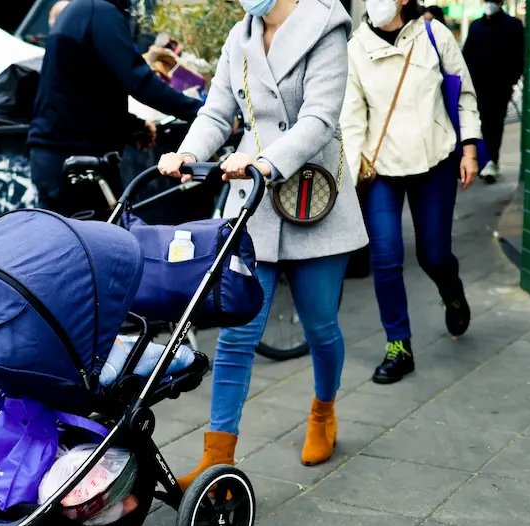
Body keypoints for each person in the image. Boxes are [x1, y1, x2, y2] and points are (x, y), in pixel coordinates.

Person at [158, 0, 368, 483]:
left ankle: (323, 412)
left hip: (311, 194)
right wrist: (188, 153)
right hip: (251, 202)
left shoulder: (326, 28)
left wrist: (266, 163)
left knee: (320, 325)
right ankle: (217, 456)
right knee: (236, 334)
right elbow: (217, 113)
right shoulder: (242, 36)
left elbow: (319, 119)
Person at [340, 0, 481, 384]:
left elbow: (464, 94)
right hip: (382, 168)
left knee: (433, 255)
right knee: (385, 257)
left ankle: (452, 293)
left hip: (436, 159)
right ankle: (398, 345)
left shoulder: (434, 35)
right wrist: (351, 181)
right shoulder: (355, 49)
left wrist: (469, 150)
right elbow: (351, 120)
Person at [28, 0, 202, 214]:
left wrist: (131, 126)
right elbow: (138, 80)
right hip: (76, 160)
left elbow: (86, 89)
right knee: (103, 240)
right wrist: (203, 113)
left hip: (58, 157)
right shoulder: (99, 12)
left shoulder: (80, 11)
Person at [462, 1, 524, 183]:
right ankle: (477, 159)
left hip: (499, 87)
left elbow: (519, 56)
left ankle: (491, 161)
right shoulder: (476, 26)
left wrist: (510, 81)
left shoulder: (513, 25)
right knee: (474, 123)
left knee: (493, 124)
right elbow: (466, 55)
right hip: (476, 85)